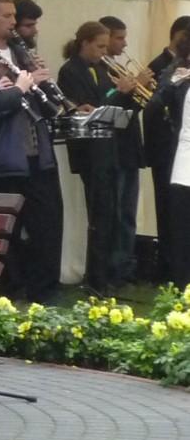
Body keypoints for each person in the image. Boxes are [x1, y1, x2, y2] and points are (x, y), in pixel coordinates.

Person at [0, 0, 62, 305]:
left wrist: (42, 82)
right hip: (6, 152)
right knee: (8, 225)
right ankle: (11, 286)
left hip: (37, 149)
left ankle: (44, 288)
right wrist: (21, 85)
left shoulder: (21, 51)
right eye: (7, 16)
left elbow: (43, 102)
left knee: (48, 220)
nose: (13, 22)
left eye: (15, 16)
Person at [56, 21, 122, 293]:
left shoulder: (101, 69)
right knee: (97, 214)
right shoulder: (70, 70)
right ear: (84, 43)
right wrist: (118, 92)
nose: (104, 52)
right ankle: (95, 278)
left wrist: (124, 94)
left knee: (109, 214)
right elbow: (87, 106)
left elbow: (106, 102)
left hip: (108, 148)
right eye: (100, 46)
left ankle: (105, 274)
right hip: (88, 150)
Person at [98, 15, 149, 285]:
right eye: (119, 38)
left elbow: (132, 109)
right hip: (113, 150)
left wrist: (142, 90)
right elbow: (101, 106)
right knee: (117, 212)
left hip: (130, 148)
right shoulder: (100, 71)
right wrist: (122, 90)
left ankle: (126, 266)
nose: (124, 44)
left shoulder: (116, 68)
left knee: (128, 212)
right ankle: (114, 269)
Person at [146, 16, 190, 281]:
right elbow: (153, 107)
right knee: (180, 226)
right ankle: (178, 280)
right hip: (181, 160)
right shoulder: (177, 72)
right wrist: (175, 83)